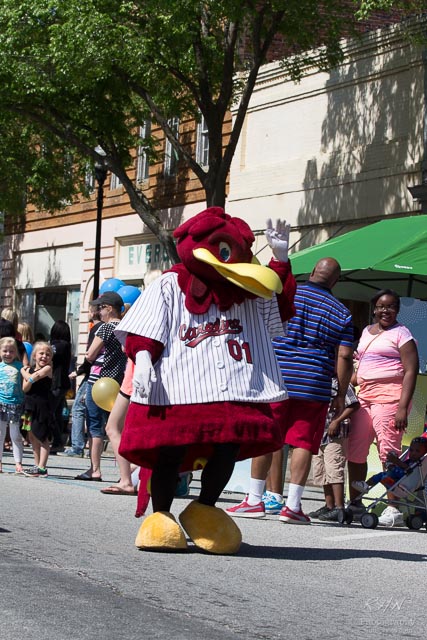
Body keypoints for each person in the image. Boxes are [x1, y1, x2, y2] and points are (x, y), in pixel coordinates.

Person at [227, 257, 354, 523]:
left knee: (265, 437)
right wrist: (341, 395)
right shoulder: (342, 312)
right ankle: (293, 506)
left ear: (313, 273)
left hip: (276, 376)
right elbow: (343, 356)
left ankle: (254, 500)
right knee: (303, 443)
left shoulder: (288, 296)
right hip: (314, 383)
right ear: (335, 280)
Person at [346, 289, 419, 523]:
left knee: (389, 453)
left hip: (390, 399)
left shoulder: (402, 334)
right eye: (381, 306)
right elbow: (360, 364)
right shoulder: (367, 331)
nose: (385, 311)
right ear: (374, 308)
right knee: (355, 451)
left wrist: (401, 407)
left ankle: (393, 506)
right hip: (364, 398)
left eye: (391, 306)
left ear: (397, 309)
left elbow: (410, 371)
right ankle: (356, 503)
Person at [74, 291, 127, 481]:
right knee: (117, 428)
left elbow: (90, 354)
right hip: (118, 383)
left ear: (109, 309)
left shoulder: (104, 328)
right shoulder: (127, 327)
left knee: (95, 426)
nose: (98, 312)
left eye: (100, 308)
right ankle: (127, 473)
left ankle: (94, 469)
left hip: (98, 382)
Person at [309, 377, 359, 521]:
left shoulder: (340, 384)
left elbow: (354, 405)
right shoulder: (321, 380)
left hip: (334, 434)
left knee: (334, 469)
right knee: (322, 470)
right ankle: (329, 505)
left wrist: (336, 421)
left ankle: (339, 507)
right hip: (320, 433)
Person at [352, 436, 427, 527]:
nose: (413, 453)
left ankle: (366, 485)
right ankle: (365, 485)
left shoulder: (416, 464)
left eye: (417, 451)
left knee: (382, 476)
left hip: (401, 487)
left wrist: (396, 462)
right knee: (381, 475)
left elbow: (407, 471)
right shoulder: (411, 462)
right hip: (399, 484)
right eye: (411, 450)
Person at [59, 306, 102, 457]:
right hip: (99, 374)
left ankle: (77, 446)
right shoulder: (102, 328)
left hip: (93, 374)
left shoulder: (97, 329)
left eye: (90, 310)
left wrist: (78, 371)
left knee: (78, 408)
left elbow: (91, 355)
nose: (88, 313)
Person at [21, 341, 54, 477]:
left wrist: (23, 371)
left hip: (43, 407)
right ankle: (37, 465)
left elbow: (34, 377)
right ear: (34, 356)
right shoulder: (29, 370)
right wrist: (27, 373)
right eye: (41, 353)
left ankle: (42, 467)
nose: (44, 356)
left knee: (43, 436)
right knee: (32, 436)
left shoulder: (47, 369)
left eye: (48, 354)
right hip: (30, 407)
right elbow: (25, 388)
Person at [0, 338, 25, 473]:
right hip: (1, 403)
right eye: (4, 351)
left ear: (16, 353)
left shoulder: (19, 366)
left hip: (16, 404)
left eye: (11, 351)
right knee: (0, 434)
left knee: (15, 434)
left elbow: (26, 382)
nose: (8, 354)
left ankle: (18, 463)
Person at [49, 320, 72, 453]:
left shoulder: (60, 345)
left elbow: (50, 352)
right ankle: (57, 441)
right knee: (56, 413)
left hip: (57, 383)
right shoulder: (66, 345)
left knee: (49, 411)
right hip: (62, 382)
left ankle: (57, 440)